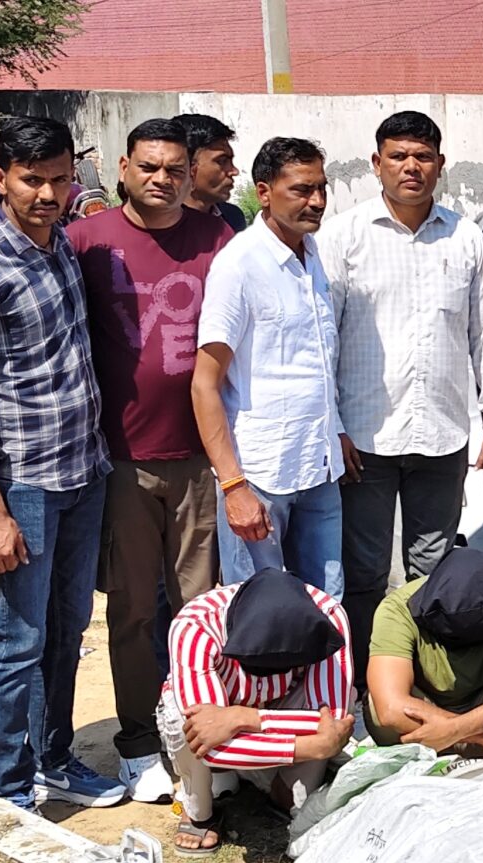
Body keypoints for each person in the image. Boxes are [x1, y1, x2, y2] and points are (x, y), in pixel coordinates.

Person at [0, 114, 124, 812]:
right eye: (32, 180)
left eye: (60, 179)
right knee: (18, 639)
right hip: (22, 484)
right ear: (0, 178)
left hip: (82, 469)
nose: (48, 194)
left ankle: (54, 758)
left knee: (68, 629)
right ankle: (10, 789)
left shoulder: (60, 243)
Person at [73, 118, 238, 805]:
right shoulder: (87, 241)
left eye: (174, 169)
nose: (161, 179)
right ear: (124, 168)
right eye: (149, 167)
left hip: (202, 456)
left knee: (200, 609)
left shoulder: (219, 238)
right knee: (134, 609)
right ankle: (140, 740)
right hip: (121, 458)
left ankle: (195, 735)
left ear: (189, 172)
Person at [325, 111, 483, 689]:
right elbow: (323, 340)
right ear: (377, 163)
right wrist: (333, 426)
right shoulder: (344, 237)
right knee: (362, 572)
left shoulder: (465, 238)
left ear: (440, 164)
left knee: (432, 571)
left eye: (423, 156)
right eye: (399, 156)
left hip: (442, 434)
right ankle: (364, 685)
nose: (412, 167)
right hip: (364, 438)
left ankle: (428, 682)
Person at [193, 137, 347, 597]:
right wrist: (234, 486)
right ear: (264, 192)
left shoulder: (313, 255)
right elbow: (205, 384)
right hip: (260, 474)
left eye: (321, 188)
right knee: (260, 611)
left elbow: (316, 361)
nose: (316, 201)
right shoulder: (239, 265)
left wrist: (335, 430)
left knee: (327, 604)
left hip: (319, 466)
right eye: (301, 189)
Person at [159, 570, 358, 853]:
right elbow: (208, 742)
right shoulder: (194, 625)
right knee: (184, 718)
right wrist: (312, 747)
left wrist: (245, 717)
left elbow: (333, 722)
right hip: (226, 712)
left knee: (345, 700)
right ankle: (198, 811)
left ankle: (269, 784)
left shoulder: (328, 616)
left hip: (271, 711)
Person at [364, 547, 483, 759]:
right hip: (429, 723)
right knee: (377, 704)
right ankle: (464, 755)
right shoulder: (396, 608)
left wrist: (455, 729)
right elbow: (390, 707)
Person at [173, 113, 247, 230]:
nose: (234, 171)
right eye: (222, 161)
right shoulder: (155, 223)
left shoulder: (232, 219)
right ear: (187, 166)